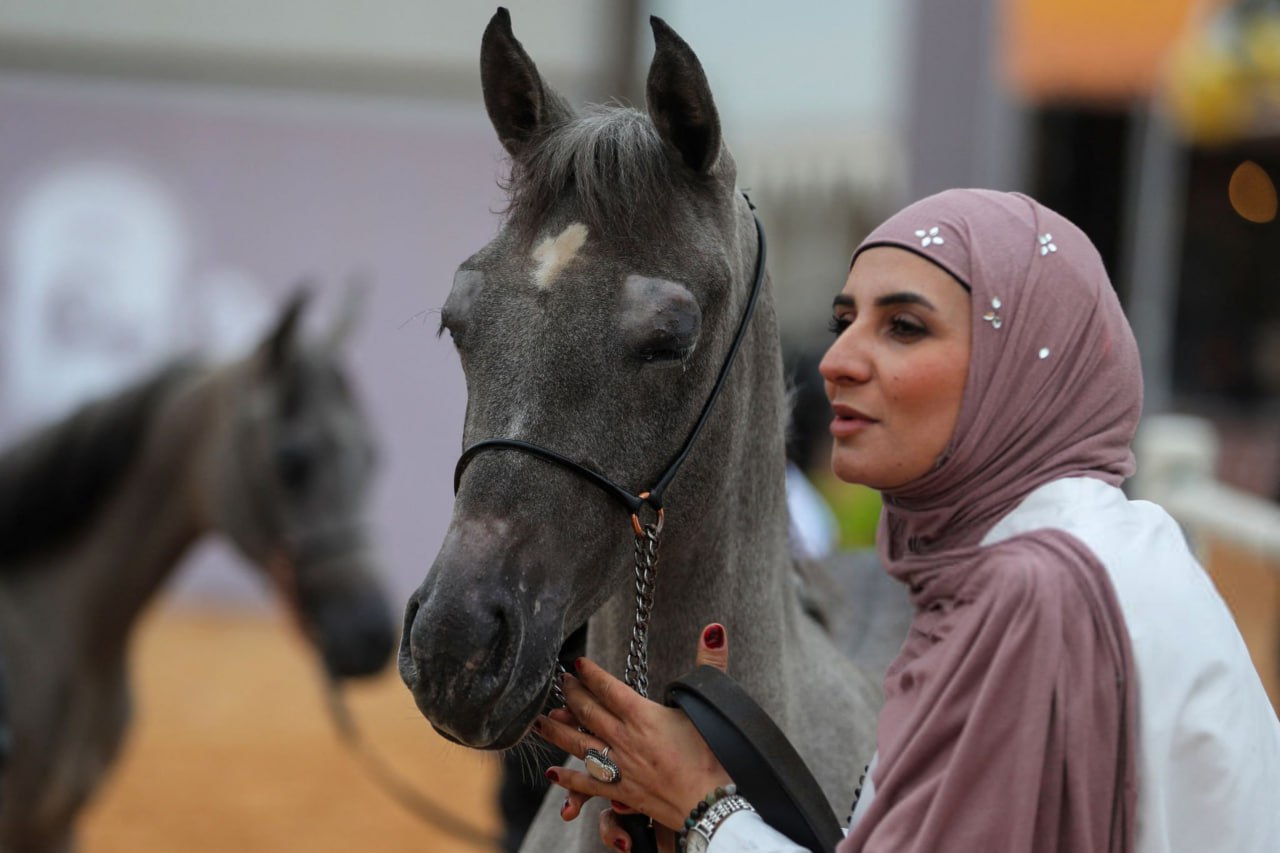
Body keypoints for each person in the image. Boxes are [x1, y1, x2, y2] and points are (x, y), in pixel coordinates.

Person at [534, 189, 1280, 852]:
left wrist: (699, 804)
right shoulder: (1114, 543)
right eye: (844, 318)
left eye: (905, 328)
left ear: (1018, 369)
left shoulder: (1036, 593)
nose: (837, 360)